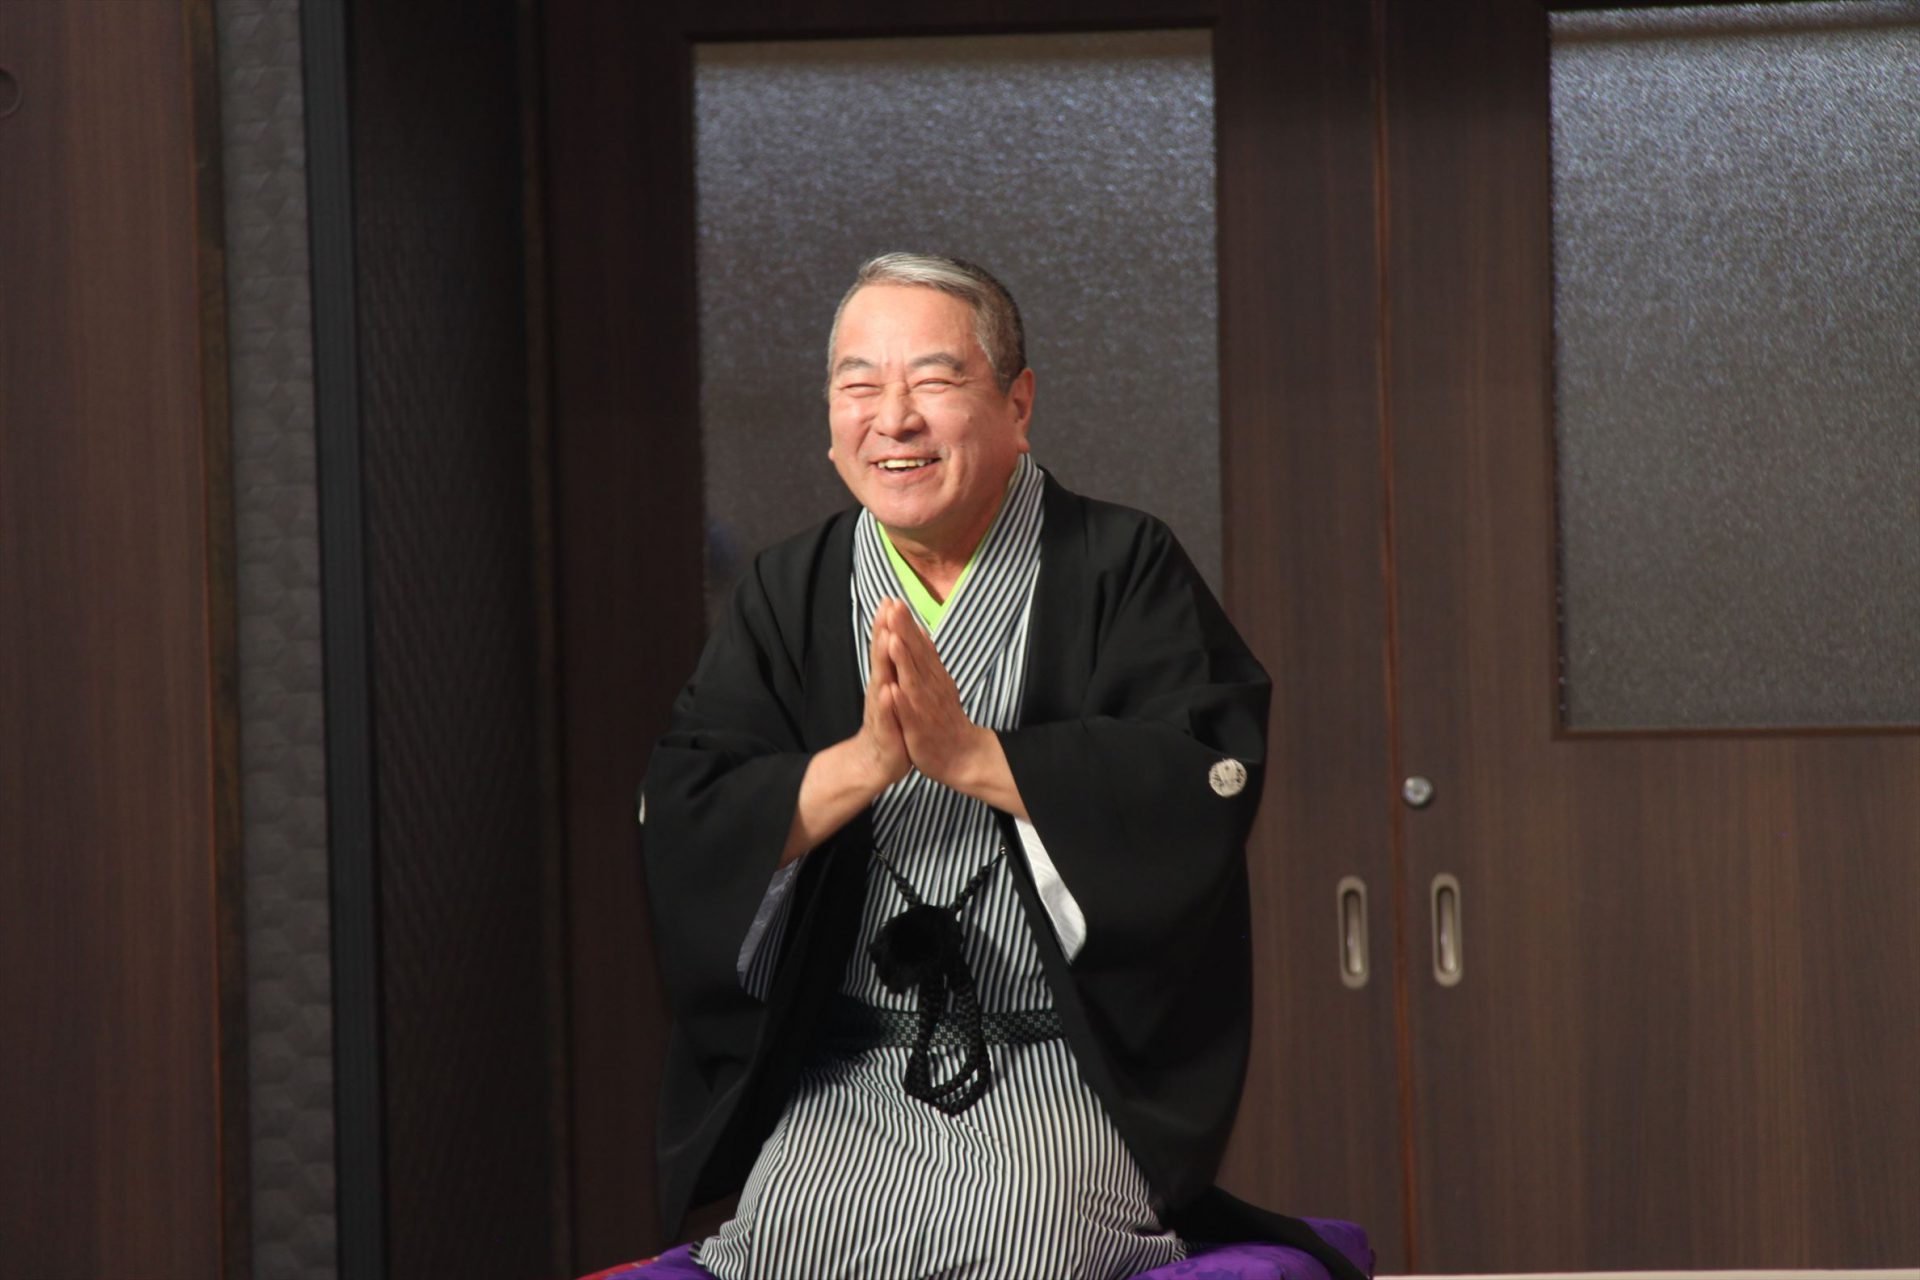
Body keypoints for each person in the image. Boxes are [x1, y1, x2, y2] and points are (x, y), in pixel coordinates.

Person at [640, 253, 1365, 1280]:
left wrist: (975, 755)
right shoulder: (788, 589)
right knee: (796, 1240)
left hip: (1060, 1061)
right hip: (853, 1061)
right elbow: (690, 813)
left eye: (933, 380)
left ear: (1018, 405)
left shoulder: (1122, 564)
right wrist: (867, 761)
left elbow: (1192, 778)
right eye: (859, 385)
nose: (893, 419)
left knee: (1021, 1239)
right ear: (832, 418)